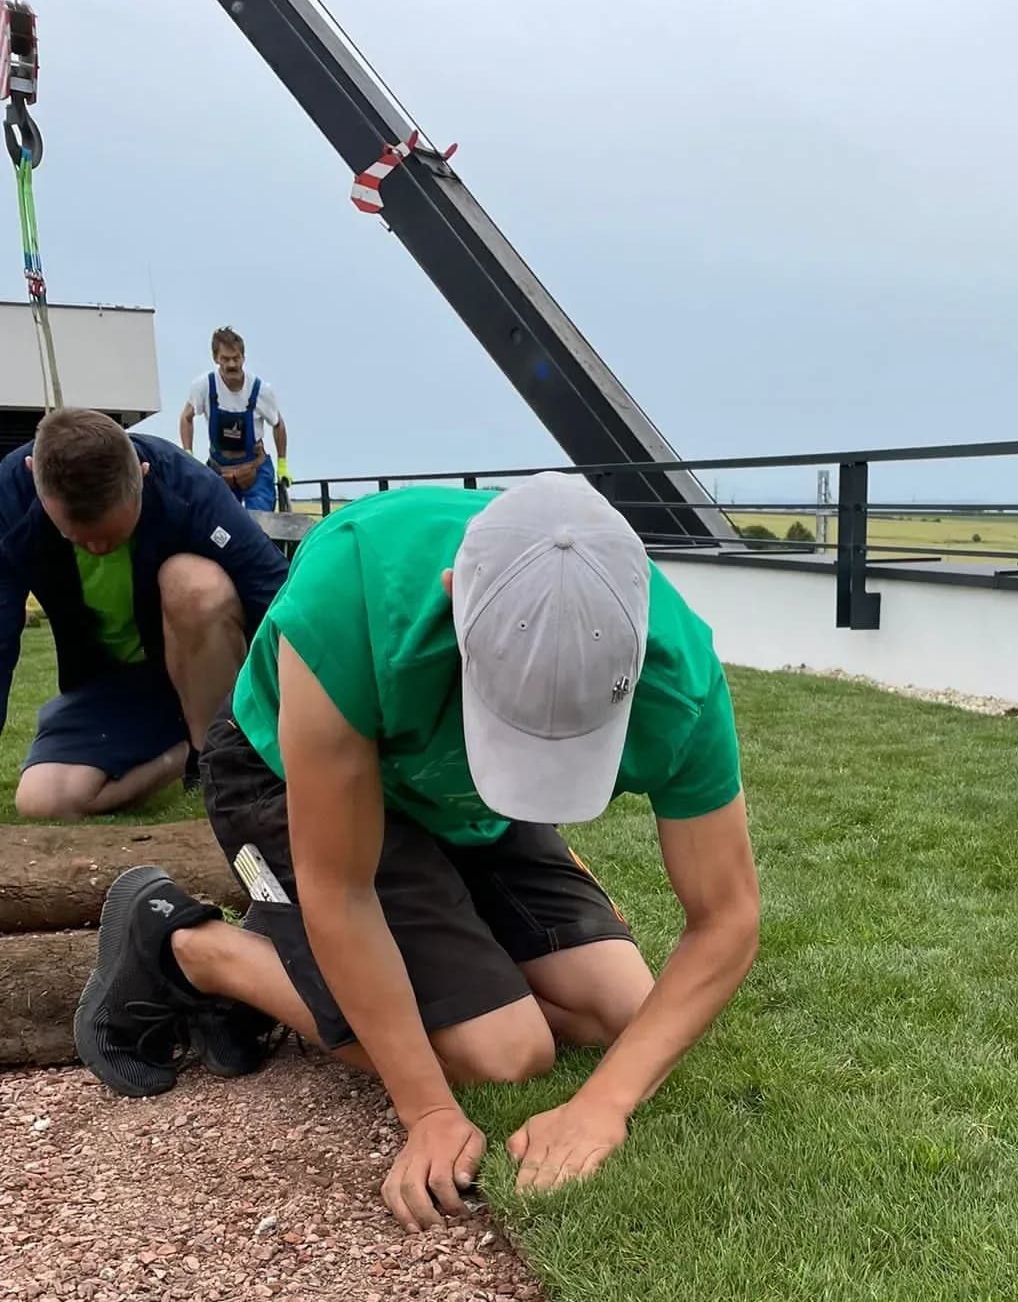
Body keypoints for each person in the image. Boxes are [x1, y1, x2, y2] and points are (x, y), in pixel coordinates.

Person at [74, 472, 761, 1223]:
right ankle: (190, 946)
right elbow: (342, 889)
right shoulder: (356, 590)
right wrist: (428, 1110)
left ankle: (396, 964)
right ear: (453, 601)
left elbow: (725, 919)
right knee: (504, 1054)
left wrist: (606, 1104)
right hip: (279, 768)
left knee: (624, 1011)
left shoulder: (677, 669)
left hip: (462, 798)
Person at [0, 407, 288, 819]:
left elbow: (278, 602)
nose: (99, 549)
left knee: (194, 584)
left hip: (199, 672)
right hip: (110, 689)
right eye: (79, 538)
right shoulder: (10, 499)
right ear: (35, 482)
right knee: (43, 801)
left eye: (113, 534)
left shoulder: (189, 486)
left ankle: (219, 762)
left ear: (143, 471)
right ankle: (182, 756)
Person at [179, 327, 289, 513]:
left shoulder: (261, 390)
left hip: (254, 469)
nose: (231, 364)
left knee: (261, 526)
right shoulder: (204, 386)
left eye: (236, 358)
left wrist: (282, 464)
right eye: (225, 359)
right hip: (219, 469)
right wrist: (188, 454)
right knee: (215, 526)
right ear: (216, 358)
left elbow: (278, 424)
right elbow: (186, 418)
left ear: (243, 357)